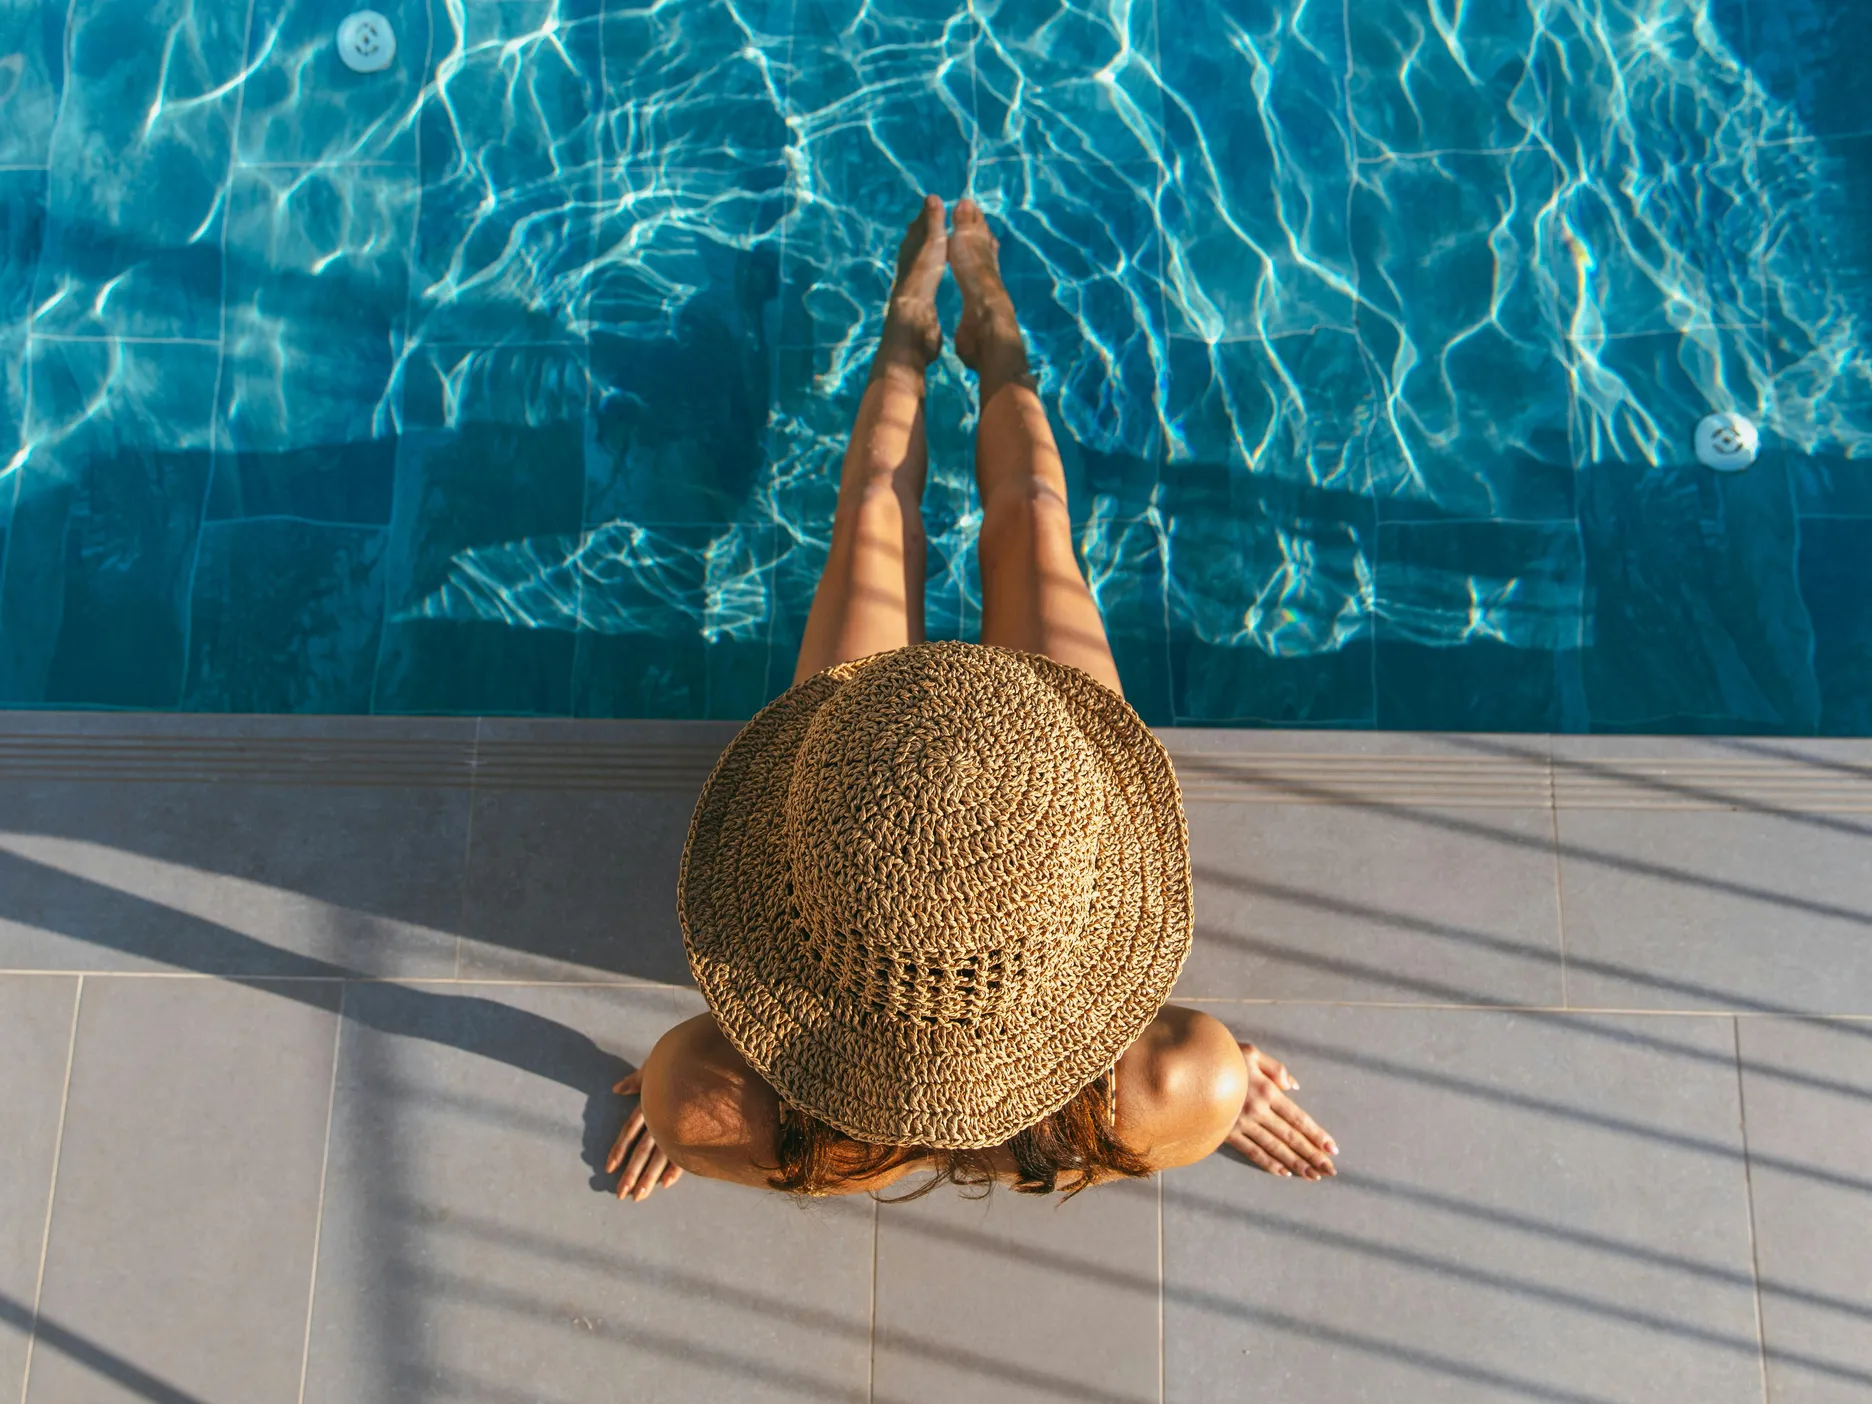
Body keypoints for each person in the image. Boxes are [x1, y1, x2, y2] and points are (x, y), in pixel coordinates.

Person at [606, 197, 1338, 1201]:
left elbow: (711, 1104)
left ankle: (918, 334)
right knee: (1034, 518)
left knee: (878, 506)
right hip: (1001, 769)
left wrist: (711, 1109)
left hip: (871, 783)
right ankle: (985, 334)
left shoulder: (721, 1098)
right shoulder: (1173, 1083)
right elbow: (1174, 1083)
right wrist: (1212, 1087)